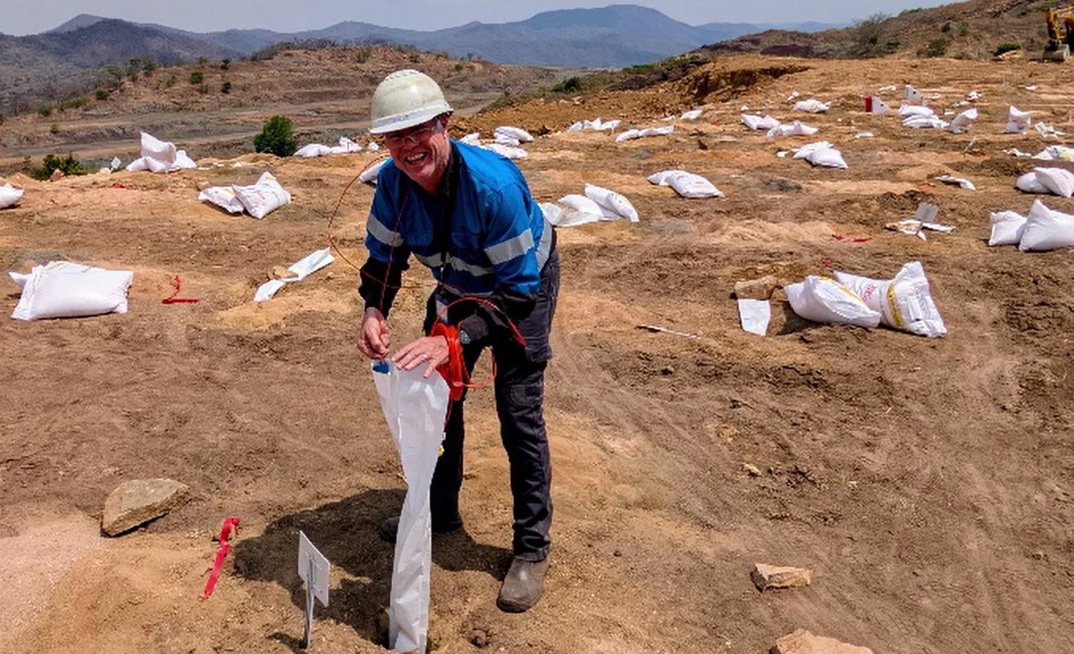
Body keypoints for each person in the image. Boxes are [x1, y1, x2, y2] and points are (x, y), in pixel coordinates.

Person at [355, 69, 559, 613]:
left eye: (419, 130)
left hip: (521, 288)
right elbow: (384, 260)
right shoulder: (393, 185)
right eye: (395, 136)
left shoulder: (492, 188)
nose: (408, 146)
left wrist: (458, 340)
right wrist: (373, 309)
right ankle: (439, 510)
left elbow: (519, 293)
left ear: (444, 123)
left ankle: (531, 548)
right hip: (458, 286)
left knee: (518, 413)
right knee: (437, 403)